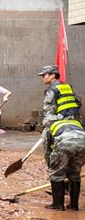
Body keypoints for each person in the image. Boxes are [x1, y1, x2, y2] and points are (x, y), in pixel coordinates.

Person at [38, 65, 83, 211]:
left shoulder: (52, 90)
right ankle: (74, 206)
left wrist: (46, 125)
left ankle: (58, 203)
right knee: (74, 172)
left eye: (44, 75)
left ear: (52, 75)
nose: (43, 78)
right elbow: (78, 103)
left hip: (59, 128)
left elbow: (49, 113)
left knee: (54, 167)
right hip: (78, 128)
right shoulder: (67, 87)